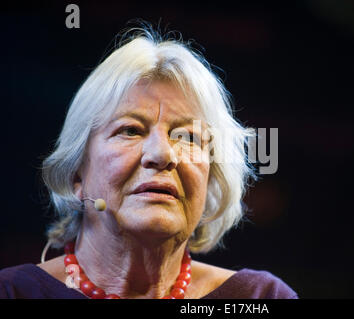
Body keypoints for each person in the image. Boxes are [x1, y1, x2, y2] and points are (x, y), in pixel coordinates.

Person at [0, 26, 298, 299]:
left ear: (210, 178)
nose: (162, 155)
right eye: (130, 130)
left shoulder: (260, 297)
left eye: (188, 137)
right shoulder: (13, 292)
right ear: (77, 175)